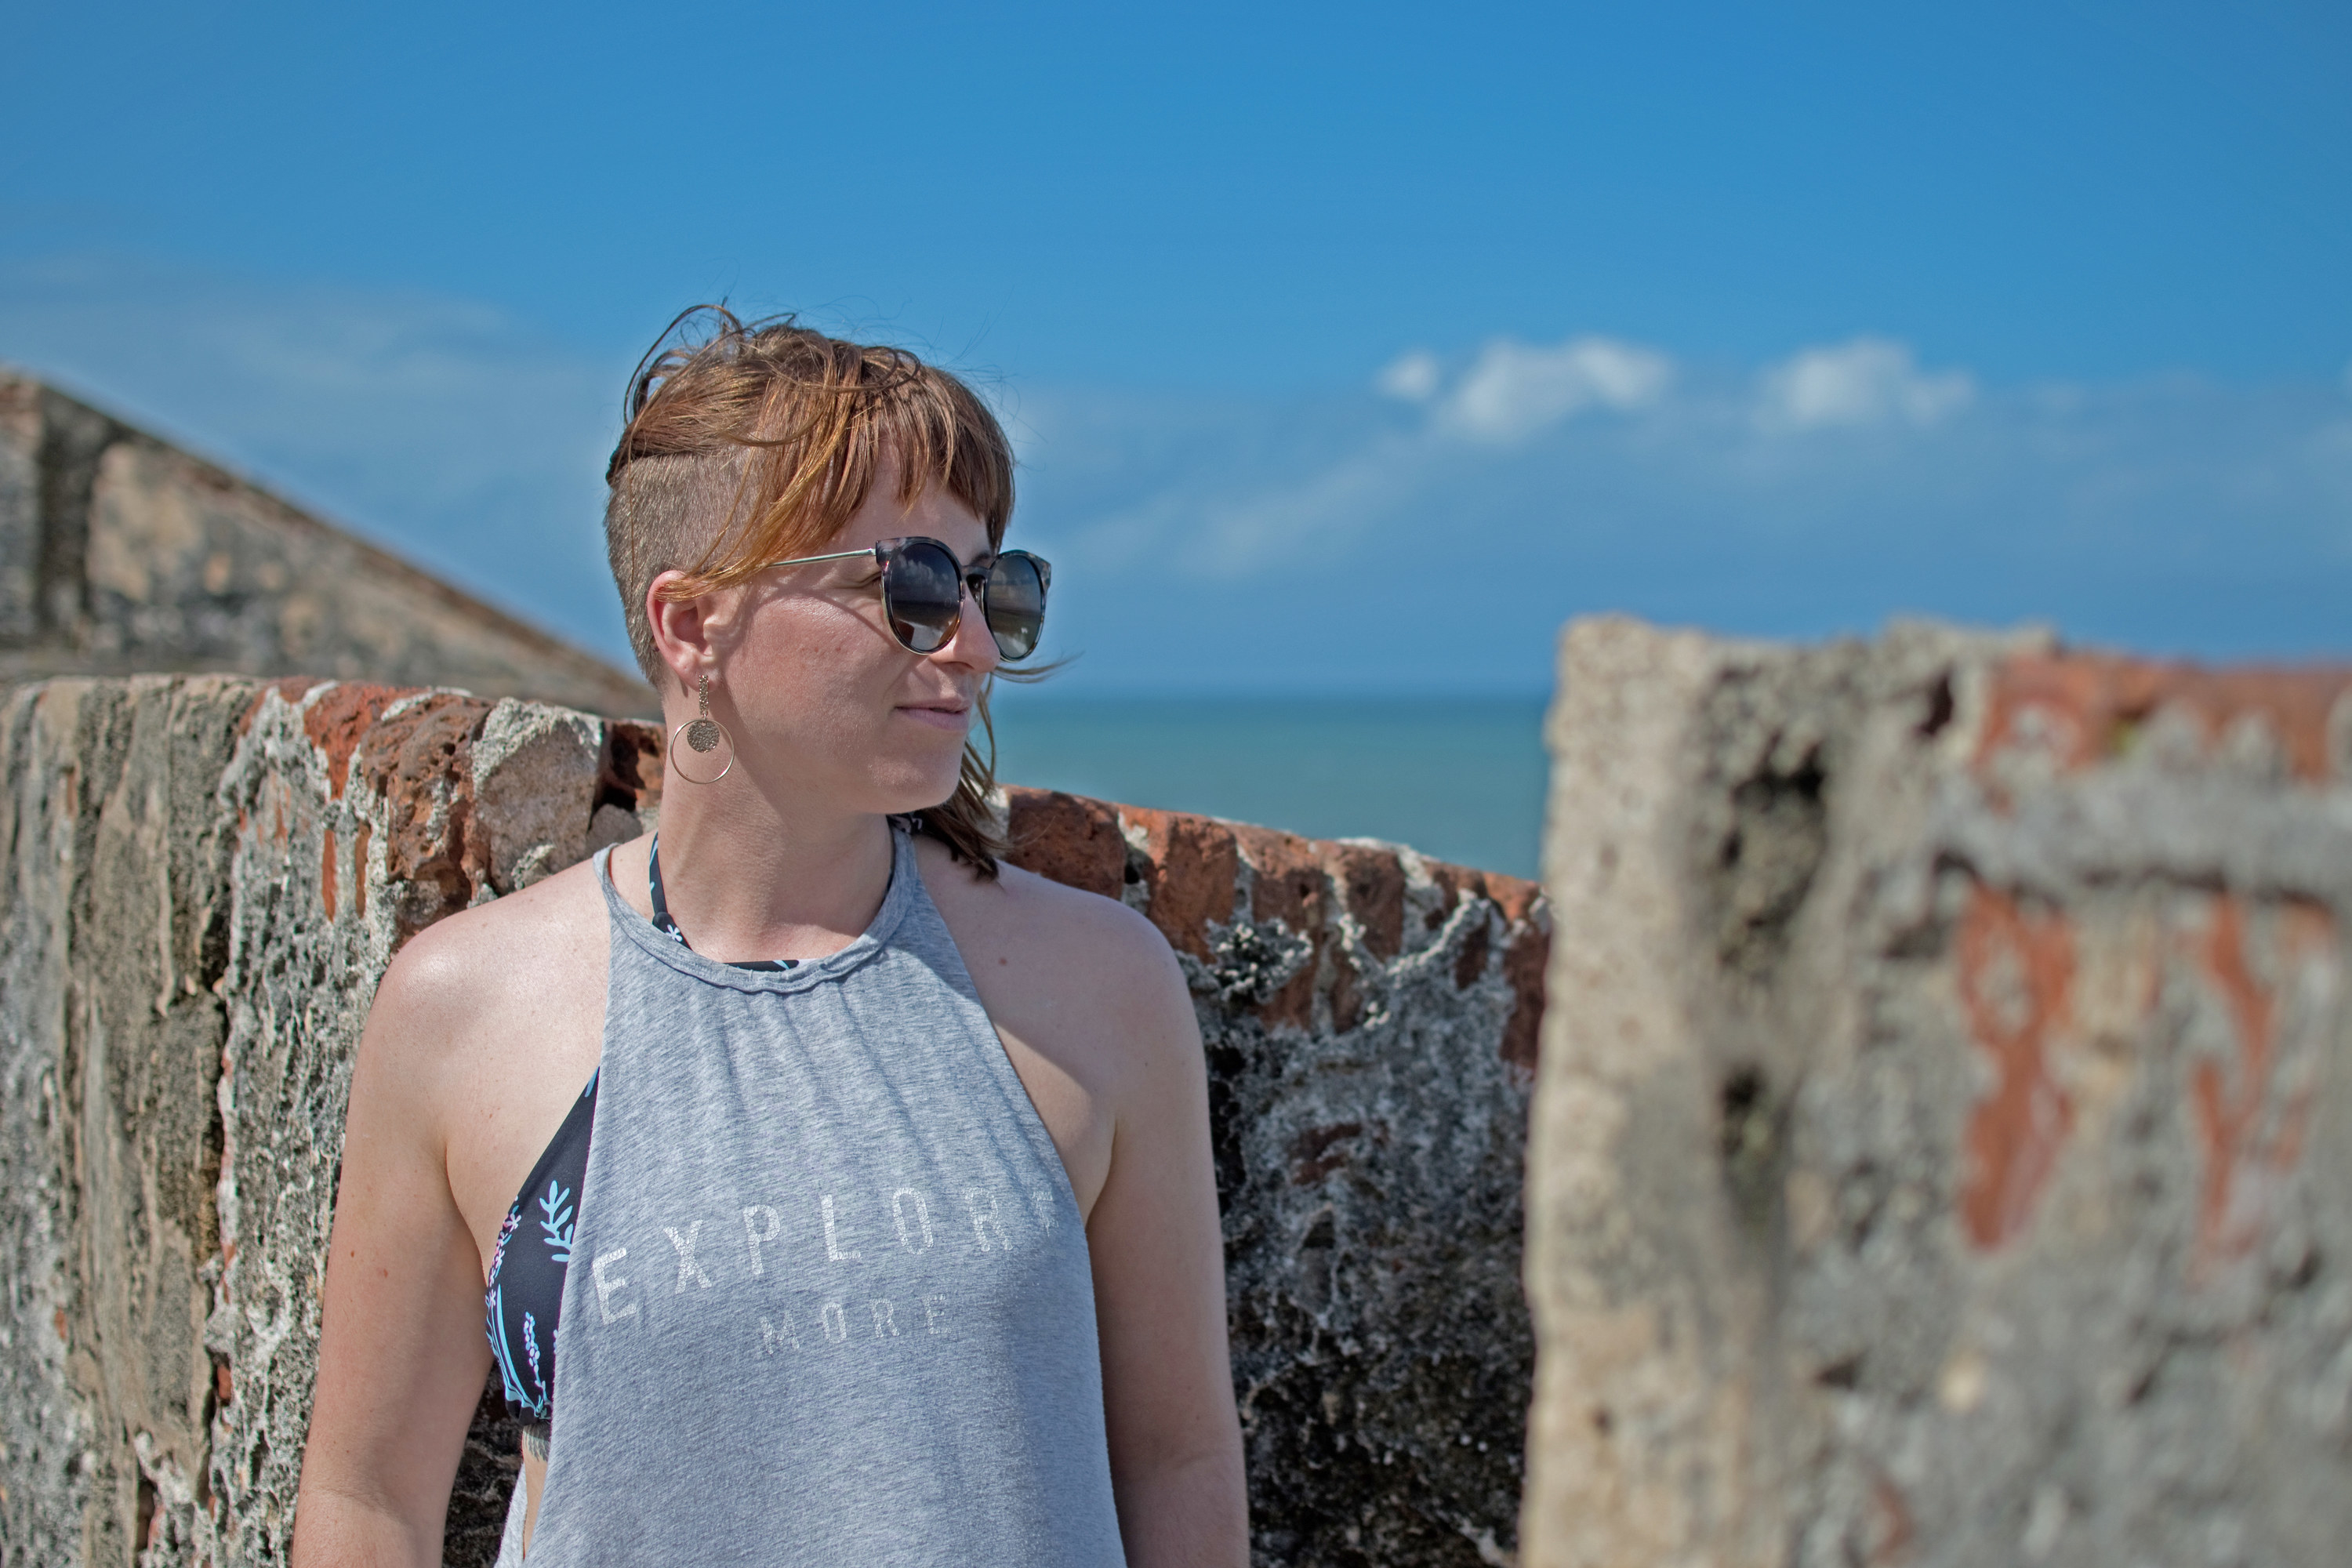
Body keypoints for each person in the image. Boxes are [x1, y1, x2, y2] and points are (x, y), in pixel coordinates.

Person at [291, 309, 1248, 1566]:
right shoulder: (465, 1009)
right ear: (694, 626)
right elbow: (370, 1503)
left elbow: (1179, 1459)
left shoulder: (1095, 986)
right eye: (910, 586)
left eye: (990, 588)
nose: (967, 645)